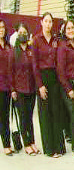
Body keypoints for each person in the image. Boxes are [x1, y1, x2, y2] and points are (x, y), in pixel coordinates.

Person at [32, 13, 66, 158]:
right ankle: (49, 148)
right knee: (45, 113)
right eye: (46, 21)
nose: (48, 24)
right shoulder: (36, 40)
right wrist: (40, 85)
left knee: (56, 111)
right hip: (42, 77)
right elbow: (34, 65)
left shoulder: (55, 40)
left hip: (55, 77)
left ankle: (59, 146)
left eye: (50, 21)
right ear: (41, 23)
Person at [55, 19, 74, 159]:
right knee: (73, 115)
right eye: (68, 29)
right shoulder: (63, 46)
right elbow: (60, 70)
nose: (71, 30)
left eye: (73, 28)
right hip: (68, 86)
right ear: (64, 31)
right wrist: (68, 89)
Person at [11, 24, 38, 156]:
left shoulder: (31, 49)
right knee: (23, 117)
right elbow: (10, 72)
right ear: (17, 34)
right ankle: (26, 143)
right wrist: (12, 90)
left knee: (29, 116)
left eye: (25, 32)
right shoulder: (13, 51)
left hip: (31, 89)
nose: (23, 34)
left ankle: (32, 141)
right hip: (19, 89)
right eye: (20, 32)